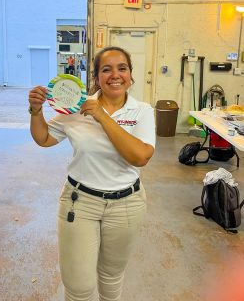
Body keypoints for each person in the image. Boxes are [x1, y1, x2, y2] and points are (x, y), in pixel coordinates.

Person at [28, 46, 155, 301]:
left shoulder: (142, 111)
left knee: (111, 277)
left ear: (131, 75)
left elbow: (140, 156)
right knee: (79, 288)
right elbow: (43, 138)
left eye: (122, 68)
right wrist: (36, 111)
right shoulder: (75, 110)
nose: (115, 75)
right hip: (80, 204)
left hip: (126, 205)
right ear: (96, 78)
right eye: (106, 69)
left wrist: (101, 114)